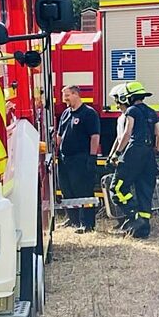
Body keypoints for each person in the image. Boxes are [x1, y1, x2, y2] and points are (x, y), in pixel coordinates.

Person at [109, 81, 159, 239]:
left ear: (127, 97)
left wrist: (117, 153)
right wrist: (157, 153)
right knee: (145, 190)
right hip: (150, 154)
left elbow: (127, 133)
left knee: (117, 188)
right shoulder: (152, 112)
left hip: (134, 151)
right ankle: (143, 229)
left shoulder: (131, 110)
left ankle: (134, 217)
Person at [56, 85, 101, 231]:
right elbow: (59, 136)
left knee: (83, 190)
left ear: (76, 95)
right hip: (65, 159)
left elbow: (94, 136)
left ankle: (87, 224)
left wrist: (92, 157)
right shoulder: (65, 113)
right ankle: (73, 220)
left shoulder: (88, 113)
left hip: (80, 159)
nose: (65, 99)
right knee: (67, 189)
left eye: (67, 96)